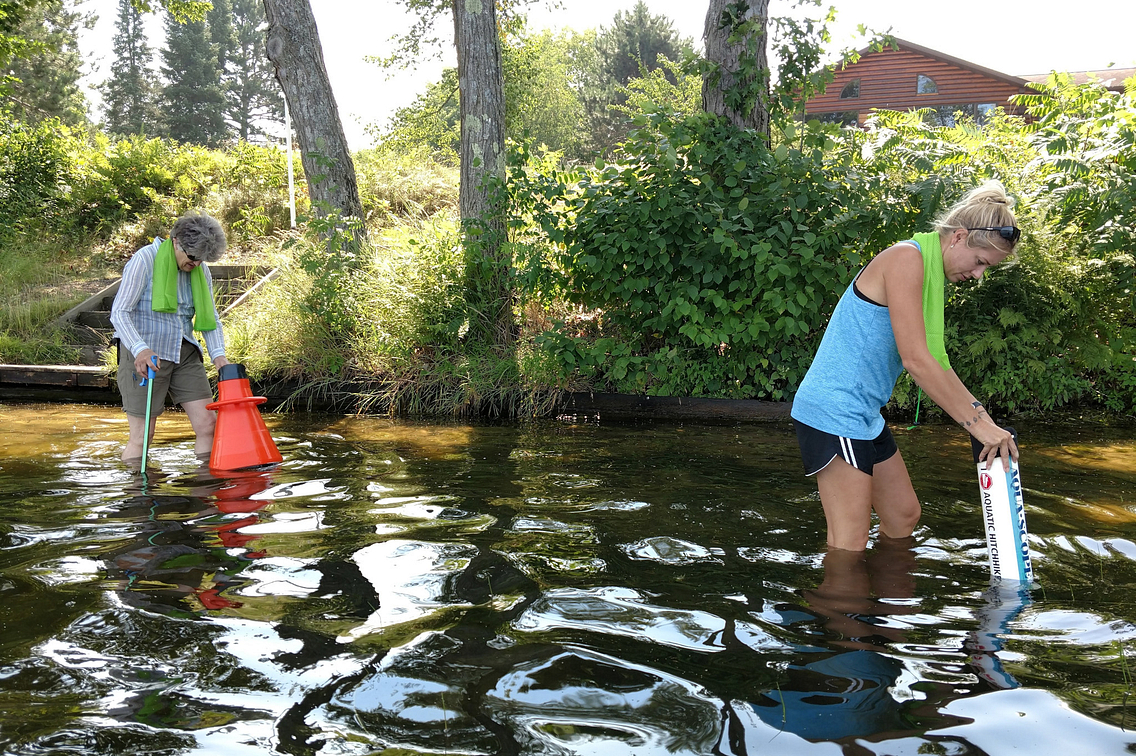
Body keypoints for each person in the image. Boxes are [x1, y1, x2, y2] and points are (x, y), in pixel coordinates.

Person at [790, 181, 1020, 552]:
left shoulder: (930, 272)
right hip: (835, 409)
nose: (978, 276)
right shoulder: (906, 259)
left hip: (862, 412)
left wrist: (985, 422)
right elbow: (915, 360)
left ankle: (882, 604)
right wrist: (976, 426)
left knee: (902, 515)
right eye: (980, 263)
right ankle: (840, 610)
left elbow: (938, 363)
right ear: (959, 237)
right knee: (849, 542)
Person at [109, 211, 231, 462]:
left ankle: (204, 490)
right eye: (193, 257)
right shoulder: (145, 260)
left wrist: (219, 356)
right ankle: (137, 495)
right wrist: (140, 350)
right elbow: (119, 313)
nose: (196, 264)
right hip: (144, 355)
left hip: (183, 351)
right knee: (143, 437)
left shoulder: (200, 269)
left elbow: (211, 319)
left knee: (209, 425)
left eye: (203, 259)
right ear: (176, 241)